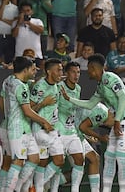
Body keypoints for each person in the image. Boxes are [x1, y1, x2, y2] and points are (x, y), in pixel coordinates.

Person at [61, 53, 125, 192]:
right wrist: (69, 99)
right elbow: (90, 104)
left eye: (88, 69)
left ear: (93, 68)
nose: (87, 73)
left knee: (121, 155)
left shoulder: (111, 78)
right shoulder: (101, 85)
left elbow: (122, 99)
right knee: (109, 155)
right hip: (119, 120)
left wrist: (116, 121)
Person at [2, 57, 53, 192]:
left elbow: (1, 102)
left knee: (34, 159)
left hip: (22, 128)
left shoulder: (8, 81)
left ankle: (17, 188)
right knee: (18, 161)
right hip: (18, 129)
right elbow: (27, 111)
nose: (35, 71)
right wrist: (44, 121)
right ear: (25, 70)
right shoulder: (21, 88)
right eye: (32, 69)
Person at [30, 58, 64, 191]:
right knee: (59, 160)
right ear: (49, 71)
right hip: (41, 130)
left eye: (61, 69)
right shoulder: (40, 86)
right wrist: (43, 103)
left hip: (51, 129)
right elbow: (30, 109)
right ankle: (35, 187)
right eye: (58, 70)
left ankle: (36, 188)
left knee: (43, 164)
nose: (61, 72)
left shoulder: (56, 86)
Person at [55, 61, 84, 192]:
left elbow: (76, 110)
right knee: (58, 163)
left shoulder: (78, 88)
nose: (76, 75)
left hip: (71, 130)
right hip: (58, 130)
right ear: (66, 73)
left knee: (79, 160)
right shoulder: (59, 87)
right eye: (73, 72)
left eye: (78, 72)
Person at [75, 103, 115, 192]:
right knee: (77, 167)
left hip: (77, 134)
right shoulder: (103, 113)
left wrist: (88, 136)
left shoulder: (103, 111)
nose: (111, 126)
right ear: (112, 115)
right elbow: (82, 127)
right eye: (114, 123)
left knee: (94, 158)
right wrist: (100, 137)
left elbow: (81, 122)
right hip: (71, 134)